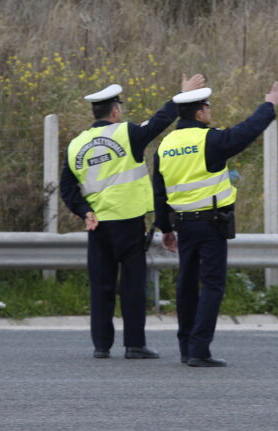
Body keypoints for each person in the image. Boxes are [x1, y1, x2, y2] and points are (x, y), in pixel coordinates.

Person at [61, 74, 205, 359]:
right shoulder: (126, 133)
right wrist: (182, 94)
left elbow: (67, 188)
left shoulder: (76, 145)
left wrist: (84, 211)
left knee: (101, 286)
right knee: (132, 286)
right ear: (115, 111)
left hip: (98, 225)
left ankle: (101, 346)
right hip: (128, 223)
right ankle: (134, 345)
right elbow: (159, 121)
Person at [153, 81, 278, 367]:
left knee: (186, 286)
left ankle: (187, 347)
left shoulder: (165, 146)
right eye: (208, 107)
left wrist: (164, 229)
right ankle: (200, 350)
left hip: (183, 226)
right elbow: (247, 131)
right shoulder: (209, 140)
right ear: (199, 113)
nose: (210, 112)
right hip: (211, 225)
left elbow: (159, 192)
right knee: (212, 285)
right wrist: (269, 104)